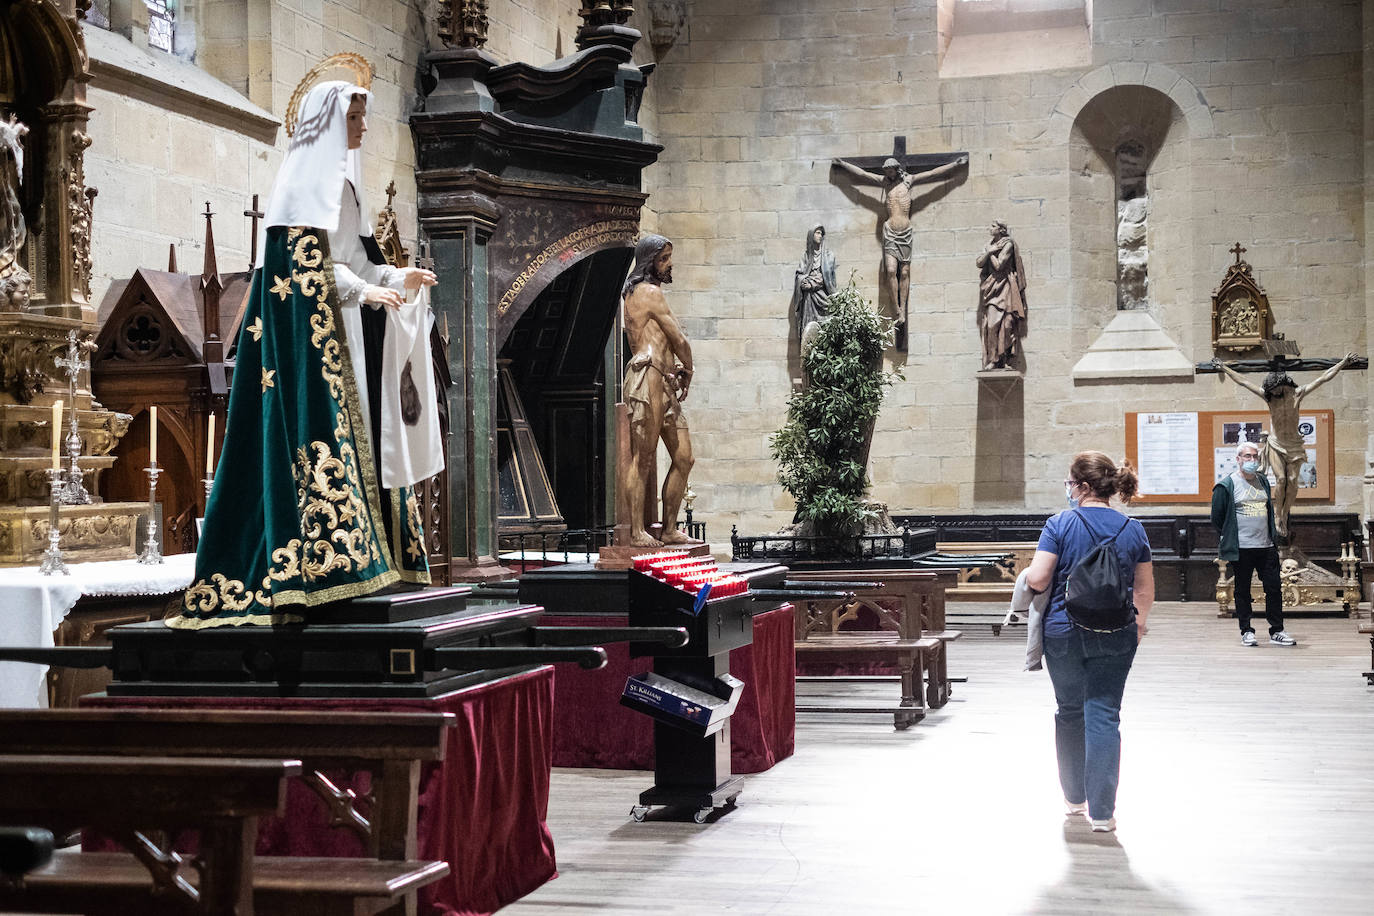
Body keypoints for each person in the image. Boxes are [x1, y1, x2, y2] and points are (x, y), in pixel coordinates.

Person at [172, 80, 440, 628]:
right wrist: (363, 291)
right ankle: (326, 567)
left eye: (364, 115)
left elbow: (353, 261)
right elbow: (301, 268)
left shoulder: (346, 186)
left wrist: (392, 275)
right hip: (316, 342)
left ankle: (376, 557)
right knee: (333, 436)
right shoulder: (302, 190)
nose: (364, 126)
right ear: (330, 121)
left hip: (348, 335)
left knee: (367, 432)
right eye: (356, 116)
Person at [1025, 451, 1153, 833]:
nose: (1068, 489)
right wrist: (1138, 627)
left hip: (1064, 632)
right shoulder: (1133, 528)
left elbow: (1039, 579)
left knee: (1069, 712)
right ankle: (1102, 813)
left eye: (1069, 483)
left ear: (1081, 487)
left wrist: (1028, 573)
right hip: (1117, 633)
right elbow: (1144, 590)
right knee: (1104, 713)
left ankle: (1074, 800)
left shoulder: (1059, 524)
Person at [1213, 353, 1355, 541]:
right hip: (1276, 443)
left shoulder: (1297, 394)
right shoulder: (1269, 397)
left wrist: (1343, 362)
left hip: (1294, 444)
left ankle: (1285, 513)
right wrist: (1224, 368)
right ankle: (1278, 515)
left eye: (1274, 389)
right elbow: (1244, 382)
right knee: (1281, 479)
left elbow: (1323, 378)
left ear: (1281, 385)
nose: (1273, 393)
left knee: (1293, 479)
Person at [830, 153, 966, 342]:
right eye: (886, 171)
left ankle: (903, 308)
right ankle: (897, 310)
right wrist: (842, 163)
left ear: (897, 169)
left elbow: (933, 174)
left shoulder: (909, 181)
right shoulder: (884, 183)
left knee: (904, 272)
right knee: (891, 270)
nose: (888, 174)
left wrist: (955, 165)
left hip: (906, 233)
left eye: (891, 171)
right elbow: (862, 175)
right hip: (890, 233)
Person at [621, 234, 699, 548]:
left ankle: (668, 529)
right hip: (648, 376)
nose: (669, 264)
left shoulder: (649, 292)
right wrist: (689, 368)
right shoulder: (648, 292)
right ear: (649, 261)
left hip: (665, 380)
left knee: (684, 458)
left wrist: (677, 369)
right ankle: (637, 531)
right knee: (643, 458)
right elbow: (678, 338)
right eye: (664, 258)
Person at [1211, 441, 1293, 647]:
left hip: (1265, 546)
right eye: (1247, 456)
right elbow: (1217, 517)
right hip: (1242, 548)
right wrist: (1231, 536)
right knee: (1242, 590)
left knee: (1274, 589)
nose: (1251, 460)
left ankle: (1277, 630)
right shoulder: (1226, 485)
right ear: (1238, 459)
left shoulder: (1263, 481)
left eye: (1255, 456)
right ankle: (1246, 630)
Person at [975, 220, 1027, 370]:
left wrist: (989, 252)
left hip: (1006, 286)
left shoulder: (1008, 244)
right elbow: (978, 262)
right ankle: (993, 358)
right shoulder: (989, 244)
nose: (989, 228)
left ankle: (1003, 359)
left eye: (993, 226)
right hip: (992, 288)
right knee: (991, 324)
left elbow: (998, 265)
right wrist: (989, 251)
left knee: (1007, 323)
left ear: (1001, 229)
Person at [791, 223, 837, 346]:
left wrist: (811, 283)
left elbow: (826, 277)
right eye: (817, 233)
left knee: (826, 328)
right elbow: (799, 275)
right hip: (809, 299)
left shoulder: (829, 256)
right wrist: (803, 282)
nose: (820, 236)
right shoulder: (806, 256)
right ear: (811, 235)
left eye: (822, 233)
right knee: (809, 329)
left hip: (824, 297)